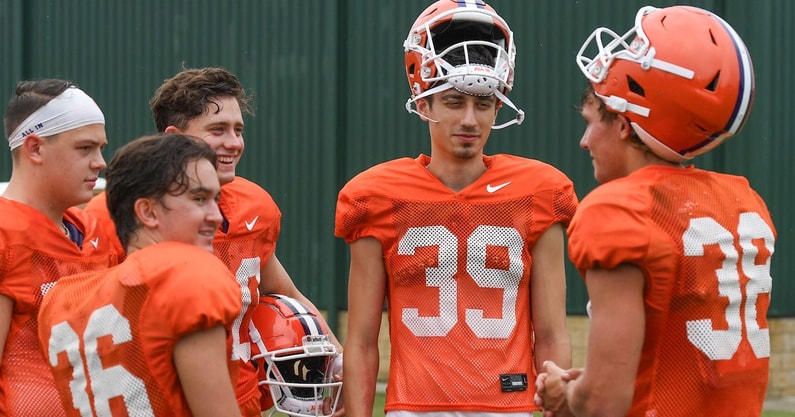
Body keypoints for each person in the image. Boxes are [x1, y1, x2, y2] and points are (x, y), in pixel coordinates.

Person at [335, 1, 577, 416]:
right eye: (453, 102)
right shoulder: (376, 195)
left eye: (483, 104)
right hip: (413, 407)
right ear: (424, 103)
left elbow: (552, 334)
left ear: (498, 107)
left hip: (510, 406)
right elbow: (360, 340)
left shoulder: (537, 191)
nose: (469, 120)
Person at [534, 5, 776, 417]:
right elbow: (674, 354)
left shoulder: (620, 210)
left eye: (592, 121)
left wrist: (564, 396)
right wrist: (591, 379)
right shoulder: (742, 201)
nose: (584, 141)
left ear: (626, 126)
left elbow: (604, 405)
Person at [84, 66, 342, 416]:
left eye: (238, 129)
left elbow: (286, 292)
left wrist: (340, 361)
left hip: (243, 397)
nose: (234, 143)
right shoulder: (111, 216)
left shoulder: (255, 206)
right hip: (157, 400)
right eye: (217, 130)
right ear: (175, 138)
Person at [39, 133, 243, 416]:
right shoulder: (186, 277)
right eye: (199, 199)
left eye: (215, 199)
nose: (216, 215)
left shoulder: (63, 297)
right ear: (147, 212)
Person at [0, 79, 119, 415]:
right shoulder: (7, 235)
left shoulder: (92, 231)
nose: (100, 162)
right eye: (85, 148)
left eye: (100, 147)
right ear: (35, 148)